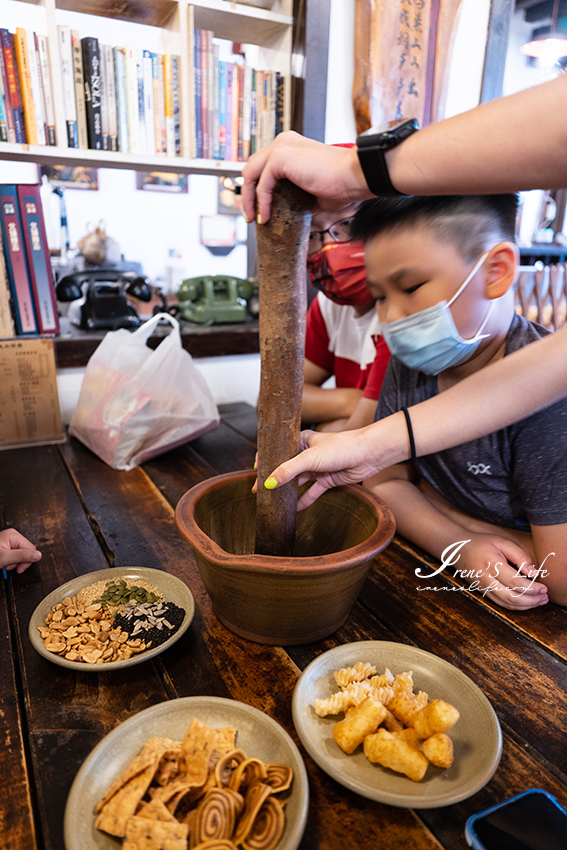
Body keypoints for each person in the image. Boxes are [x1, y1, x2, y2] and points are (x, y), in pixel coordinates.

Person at [244, 73, 567, 525]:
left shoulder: (546, 406)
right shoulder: (413, 358)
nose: (391, 318)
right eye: (380, 296)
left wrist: (357, 170)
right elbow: (388, 477)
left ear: (497, 272)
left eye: (411, 287)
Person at [303, 202, 390, 431]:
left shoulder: (402, 309)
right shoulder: (327, 306)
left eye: (348, 224)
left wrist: (323, 425)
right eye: (312, 235)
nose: (329, 248)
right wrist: (355, 401)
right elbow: (275, 399)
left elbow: (370, 429)